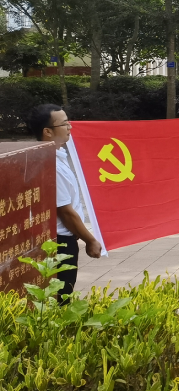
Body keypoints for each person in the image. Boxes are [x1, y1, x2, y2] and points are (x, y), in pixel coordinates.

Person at [28, 104, 103, 299]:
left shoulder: (56, 156)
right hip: (60, 243)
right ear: (48, 132)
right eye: (64, 123)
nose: (70, 127)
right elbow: (66, 212)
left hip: (59, 239)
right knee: (61, 297)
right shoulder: (51, 164)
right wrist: (91, 240)